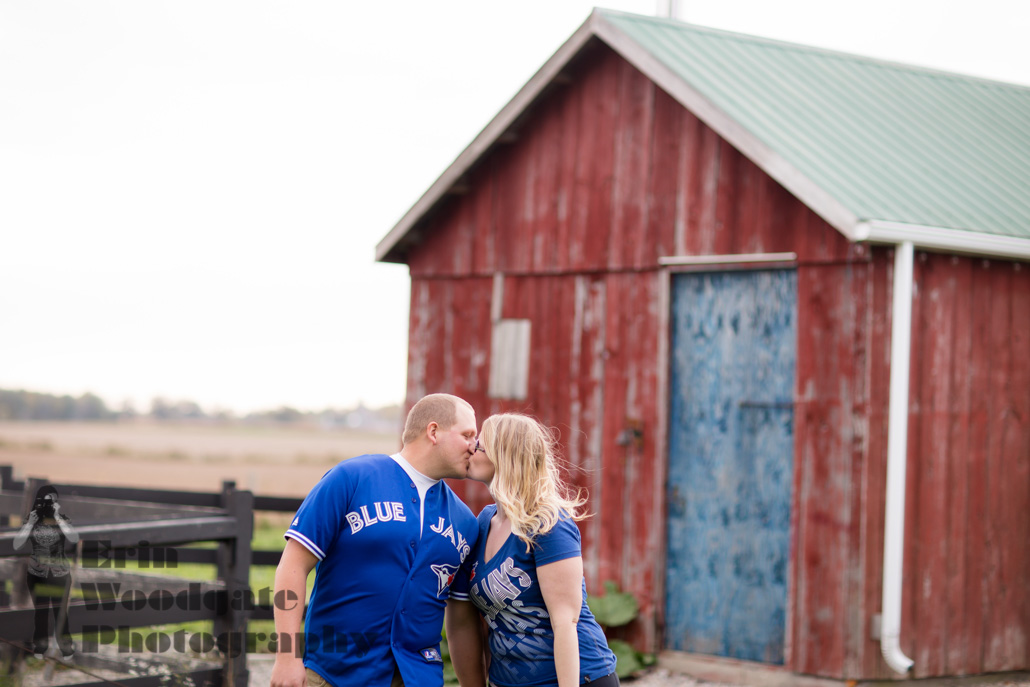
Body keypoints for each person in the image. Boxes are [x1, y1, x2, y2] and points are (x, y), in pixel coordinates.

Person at [271, 393, 484, 687]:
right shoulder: (351, 478)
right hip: (332, 674)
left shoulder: (466, 522)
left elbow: (460, 619)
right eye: (468, 434)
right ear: (433, 432)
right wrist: (287, 657)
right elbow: (292, 567)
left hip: (417, 678)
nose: (475, 446)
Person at [451, 413, 618, 687]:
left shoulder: (548, 524)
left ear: (504, 456)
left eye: (479, 446)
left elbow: (566, 622)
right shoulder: (482, 523)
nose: (471, 448)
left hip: (577, 678)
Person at [13, 484, 79, 659]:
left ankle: (65, 647)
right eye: (45, 501)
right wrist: (30, 524)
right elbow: (17, 544)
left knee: (61, 612)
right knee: (40, 612)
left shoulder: (62, 519)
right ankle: (40, 647)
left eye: (52, 502)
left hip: (59, 574)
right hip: (38, 573)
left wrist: (58, 517)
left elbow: (74, 538)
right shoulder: (32, 519)